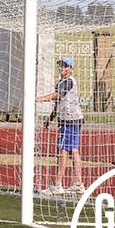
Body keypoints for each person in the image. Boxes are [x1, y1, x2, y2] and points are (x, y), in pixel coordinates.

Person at [37, 56, 84, 195]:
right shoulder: (62, 82)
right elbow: (58, 104)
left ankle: (58, 184)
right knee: (73, 150)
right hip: (74, 119)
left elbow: (57, 95)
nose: (62, 68)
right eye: (61, 65)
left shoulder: (68, 81)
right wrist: (49, 120)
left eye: (65, 66)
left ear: (71, 68)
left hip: (69, 120)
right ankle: (79, 184)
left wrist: (38, 99)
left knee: (63, 151)